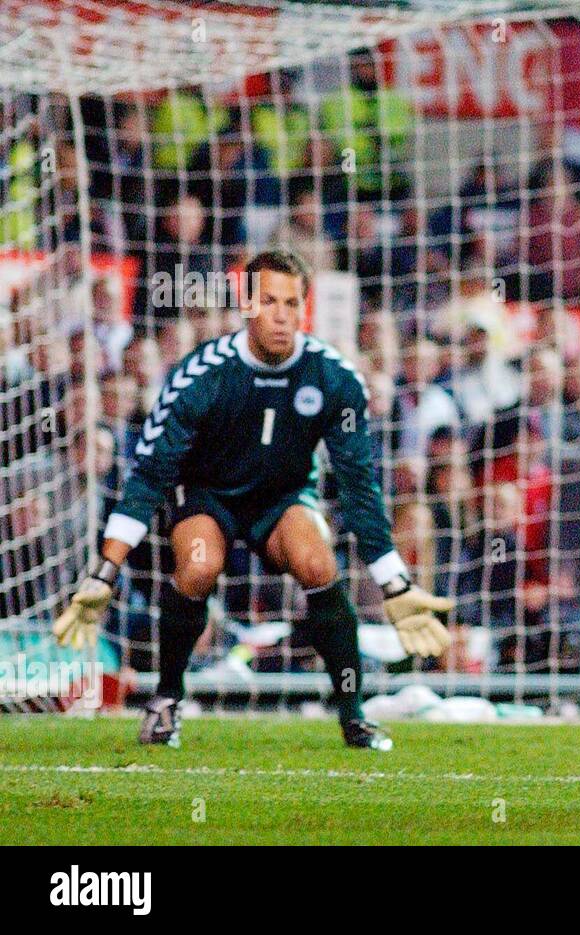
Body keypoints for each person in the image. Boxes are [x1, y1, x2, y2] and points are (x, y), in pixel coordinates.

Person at [53, 250, 454, 752]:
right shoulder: (201, 374)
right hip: (206, 496)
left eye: (292, 303)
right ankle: (167, 701)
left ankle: (354, 715)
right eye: (269, 301)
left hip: (283, 498)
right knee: (199, 567)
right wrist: (103, 573)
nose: (282, 315)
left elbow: (359, 487)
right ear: (247, 304)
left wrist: (394, 582)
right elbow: (150, 475)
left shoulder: (334, 379)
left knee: (317, 561)